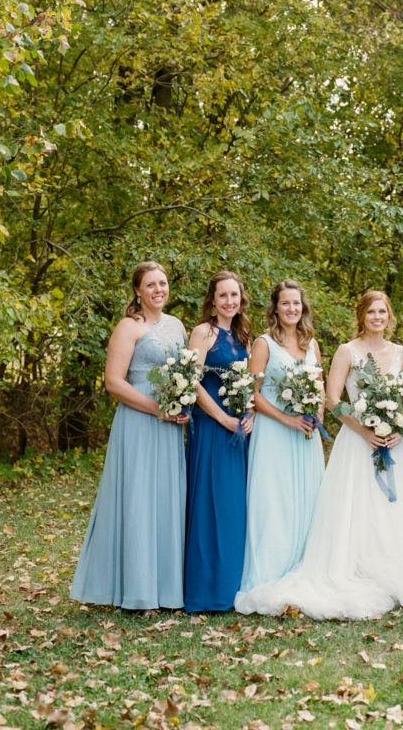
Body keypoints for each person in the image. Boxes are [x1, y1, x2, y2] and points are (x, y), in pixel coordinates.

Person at [235, 290, 403, 618]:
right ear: (361, 316)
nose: (377, 317)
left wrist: (401, 426)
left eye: (382, 311)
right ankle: (353, 569)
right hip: (357, 443)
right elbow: (331, 400)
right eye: (371, 312)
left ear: (390, 315)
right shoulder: (347, 351)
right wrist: (365, 431)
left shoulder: (401, 351)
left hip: (395, 444)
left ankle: (394, 570)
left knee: (394, 509)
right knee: (355, 510)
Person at [71, 261, 188, 610]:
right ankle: (136, 589)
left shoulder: (178, 325)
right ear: (138, 290)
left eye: (163, 283)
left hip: (170, 429)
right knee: (138, 499)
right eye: (150, 284)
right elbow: (114, 383)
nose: (158, 290)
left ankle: (167, 590)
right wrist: (158, 409)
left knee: (167, 500)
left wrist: (181, 405)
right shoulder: (128, 327)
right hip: (139, 423)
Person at [235, 280, 326, 598]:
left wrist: (318, 414)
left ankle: (305, 567)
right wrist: (287, 418)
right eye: (285, 303)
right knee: (276, 502)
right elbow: (251, 393)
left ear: (303, 307)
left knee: (309, 500)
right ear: (275, 308)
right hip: (274, 433)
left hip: (305, 435)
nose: (291, 309)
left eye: (296, 303)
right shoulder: (264, 344)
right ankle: (271, 573)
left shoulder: (310, 343)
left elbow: (319, 384)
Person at [184, 272, 254, 612]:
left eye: (234, 295)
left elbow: (252, 381)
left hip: (239, 429)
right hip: (212, 426)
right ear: (212, 300)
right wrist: (223, 418)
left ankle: (232, 586)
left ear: (241, 298)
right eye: (223, 295)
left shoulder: (243, 334)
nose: (229, 301)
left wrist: (249, 412)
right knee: (210, 502)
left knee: (233, 506)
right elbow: (192, 383)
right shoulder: (203, 332)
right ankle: (207, 590)